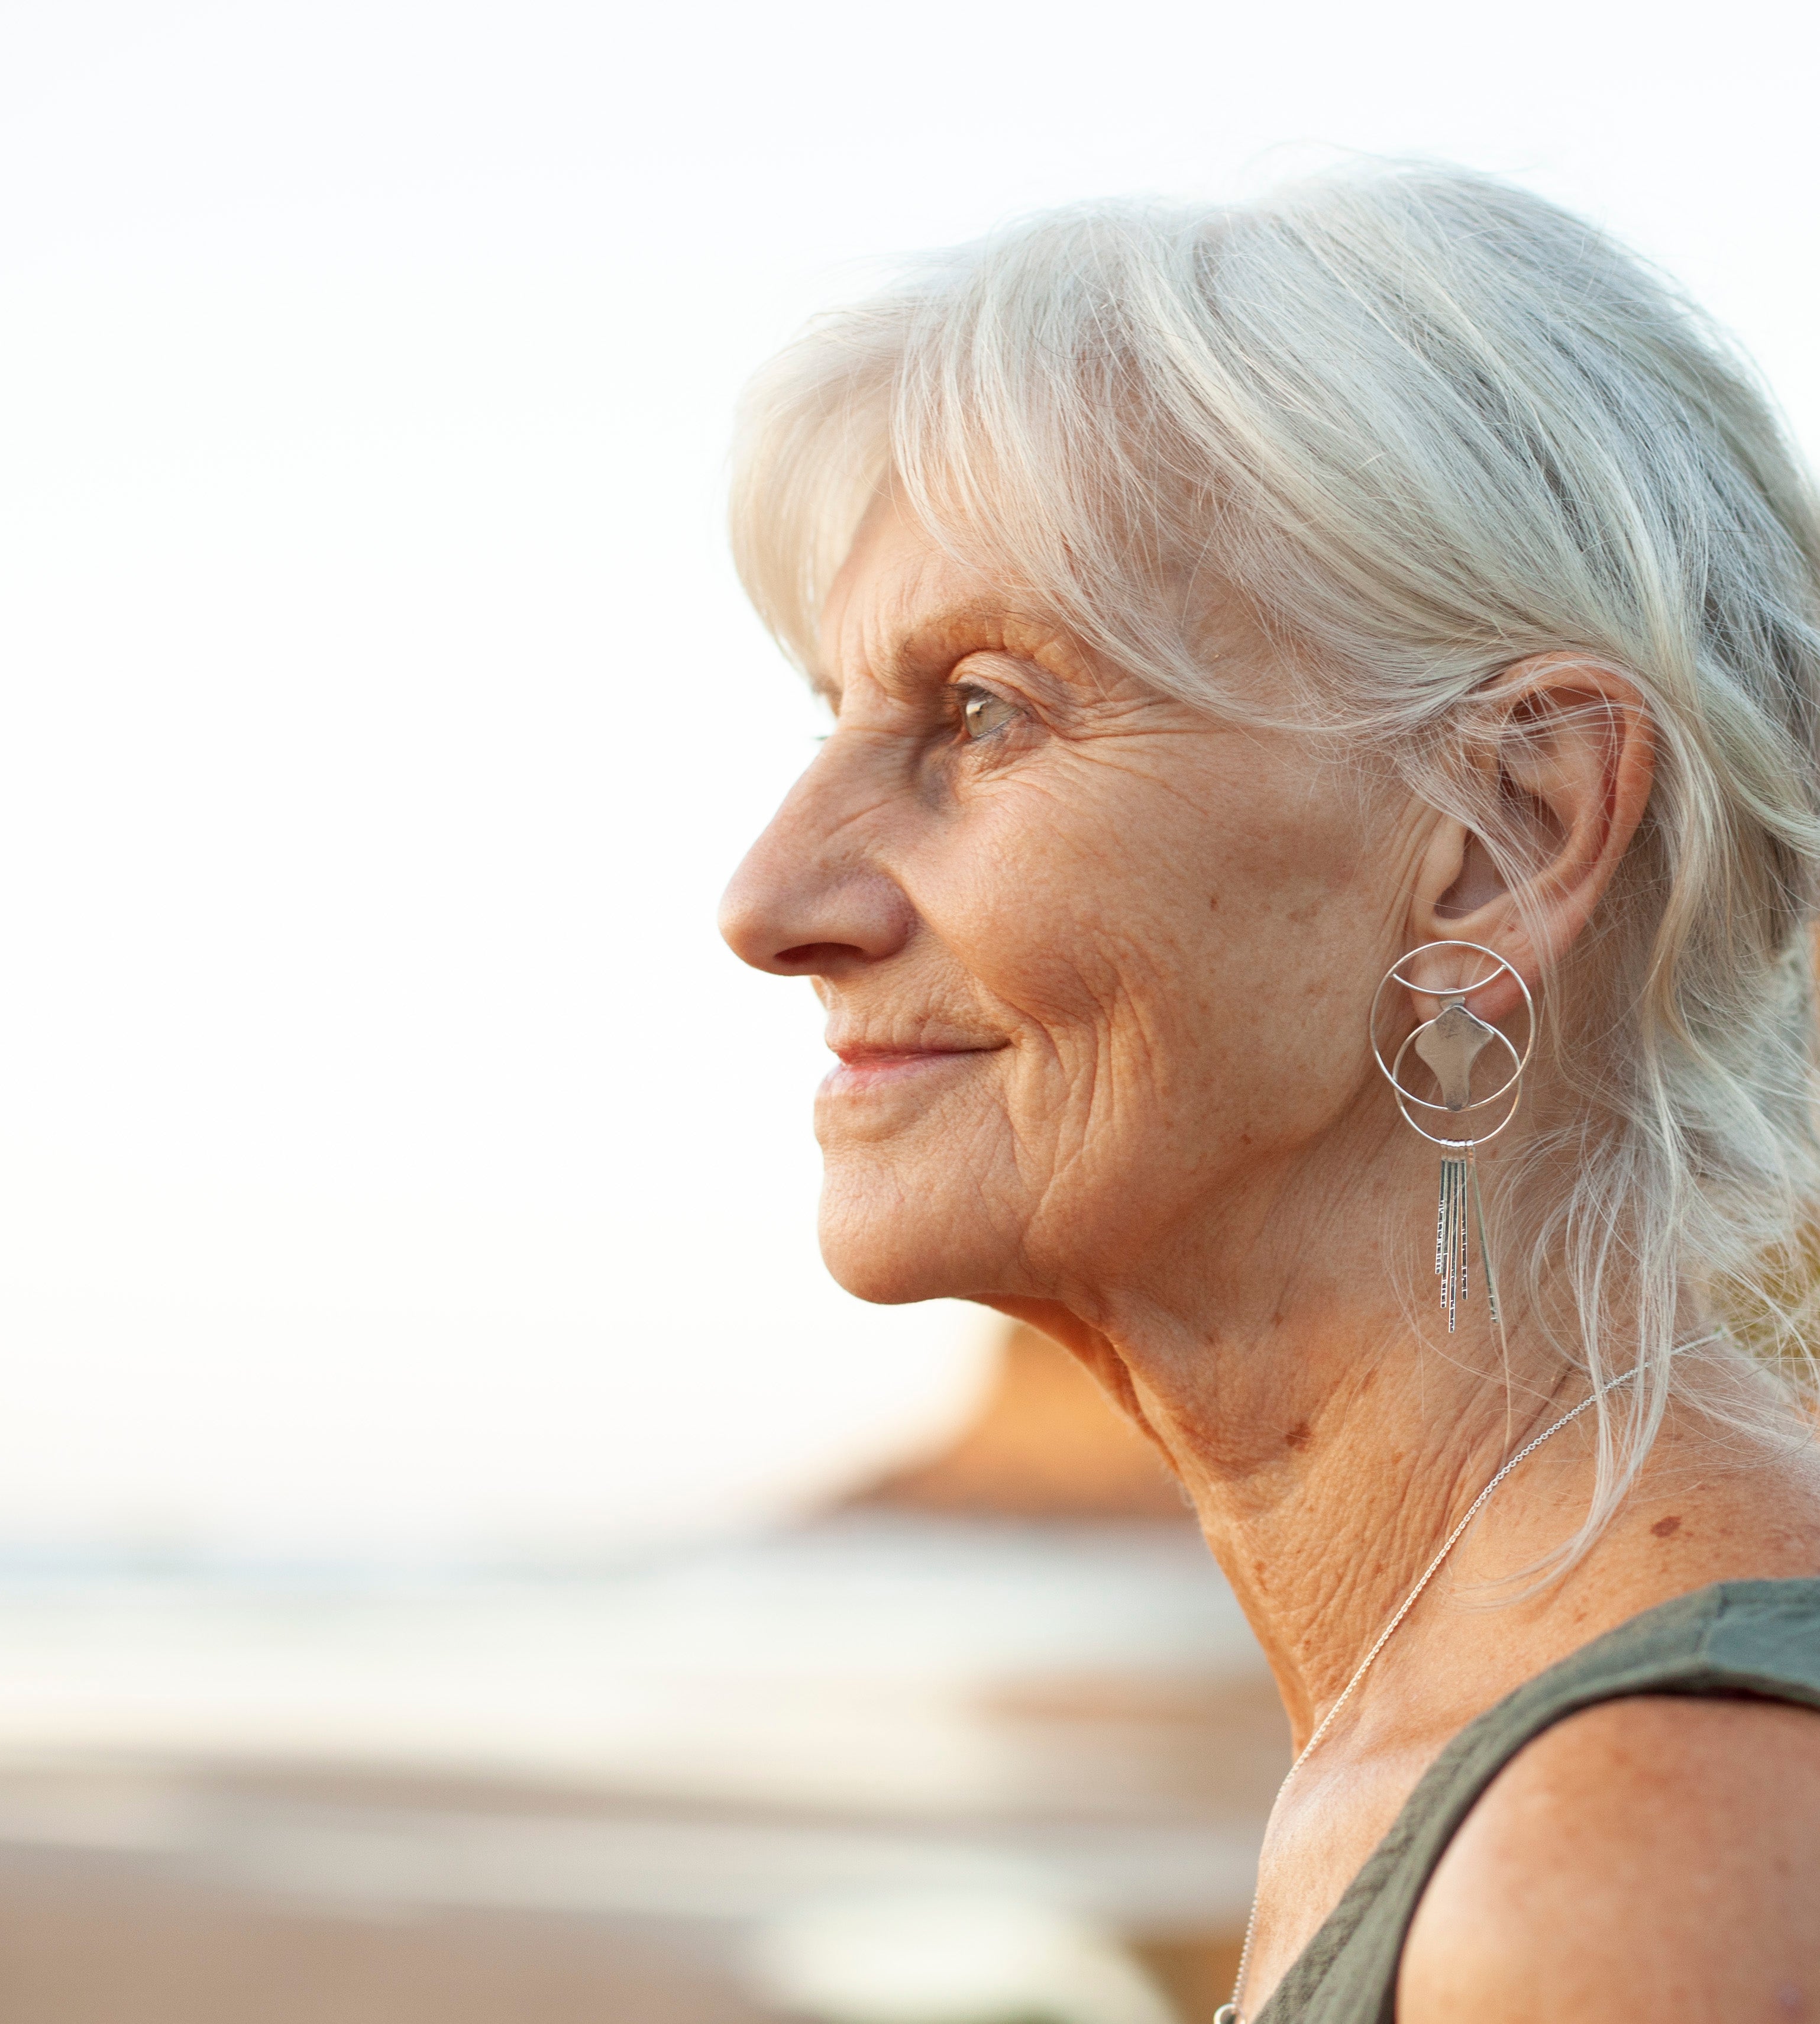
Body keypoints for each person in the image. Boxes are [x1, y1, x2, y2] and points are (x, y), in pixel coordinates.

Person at [717, 166, 1820, 2020]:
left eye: (983, 711)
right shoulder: (1479, 1744)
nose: (770, 901)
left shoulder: (1635, 1850)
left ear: (1502, 835)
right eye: (834, 713)